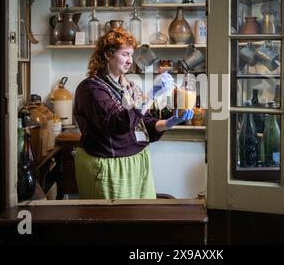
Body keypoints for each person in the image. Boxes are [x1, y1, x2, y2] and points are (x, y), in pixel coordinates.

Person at [73, 28, 194, 199]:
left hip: (137, 163)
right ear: (108, 55)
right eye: (125, 54)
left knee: (141, 219)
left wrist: (170, 122)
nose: (130, 60)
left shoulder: (129, 86)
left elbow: (143, 121)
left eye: (131, 55)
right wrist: (152, 94)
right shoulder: (91, 89)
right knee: (113, 221)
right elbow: (118, 123)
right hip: (109, 168)